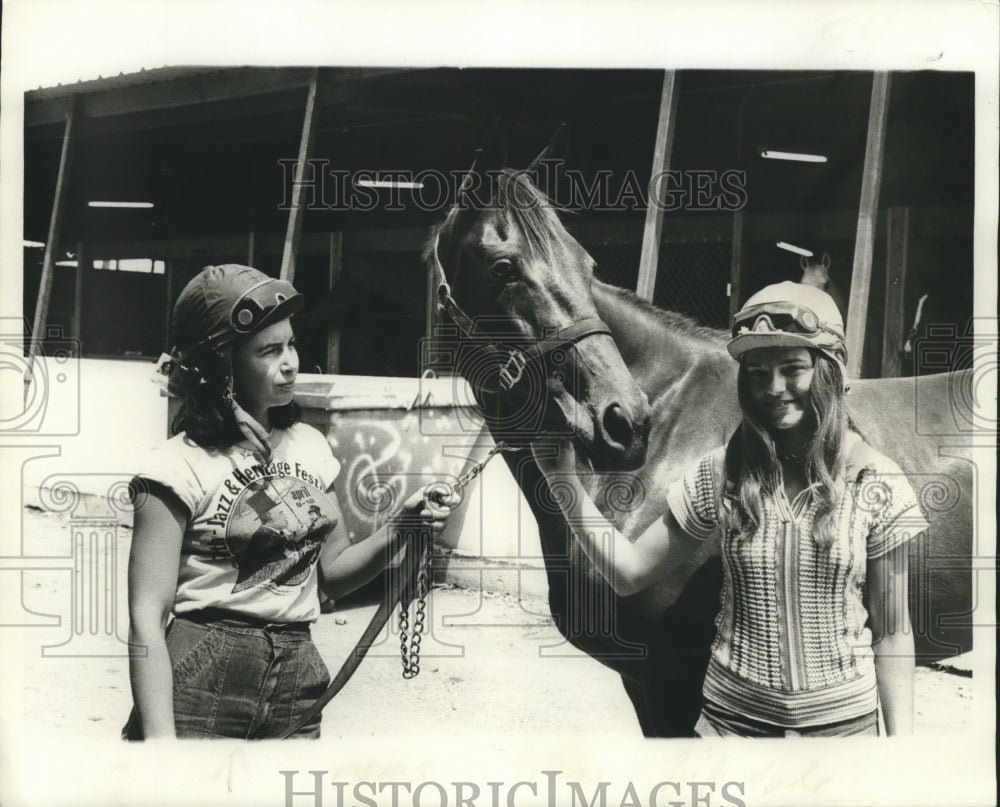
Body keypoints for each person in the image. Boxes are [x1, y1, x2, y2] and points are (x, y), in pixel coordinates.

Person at [531, 281, 928, 737]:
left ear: (830, 372)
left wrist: (902, 751)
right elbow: (630, 573)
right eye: (756, 372)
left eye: (793, 368)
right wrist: (561, 482)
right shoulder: (721, 474)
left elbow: (894, 634)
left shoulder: (877, 481)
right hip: (730, 735)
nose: (773, 388)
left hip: (841, 739)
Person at [124, 264, 456, 740]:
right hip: (201, 678)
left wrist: (405, 524)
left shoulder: (310, 447)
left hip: (298, 674)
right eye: (269, 350)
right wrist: (160, 748)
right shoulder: (174, 468)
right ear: (223, 364)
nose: (291, 362)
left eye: (292, 344)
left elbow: (335, 573)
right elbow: (146, 619)